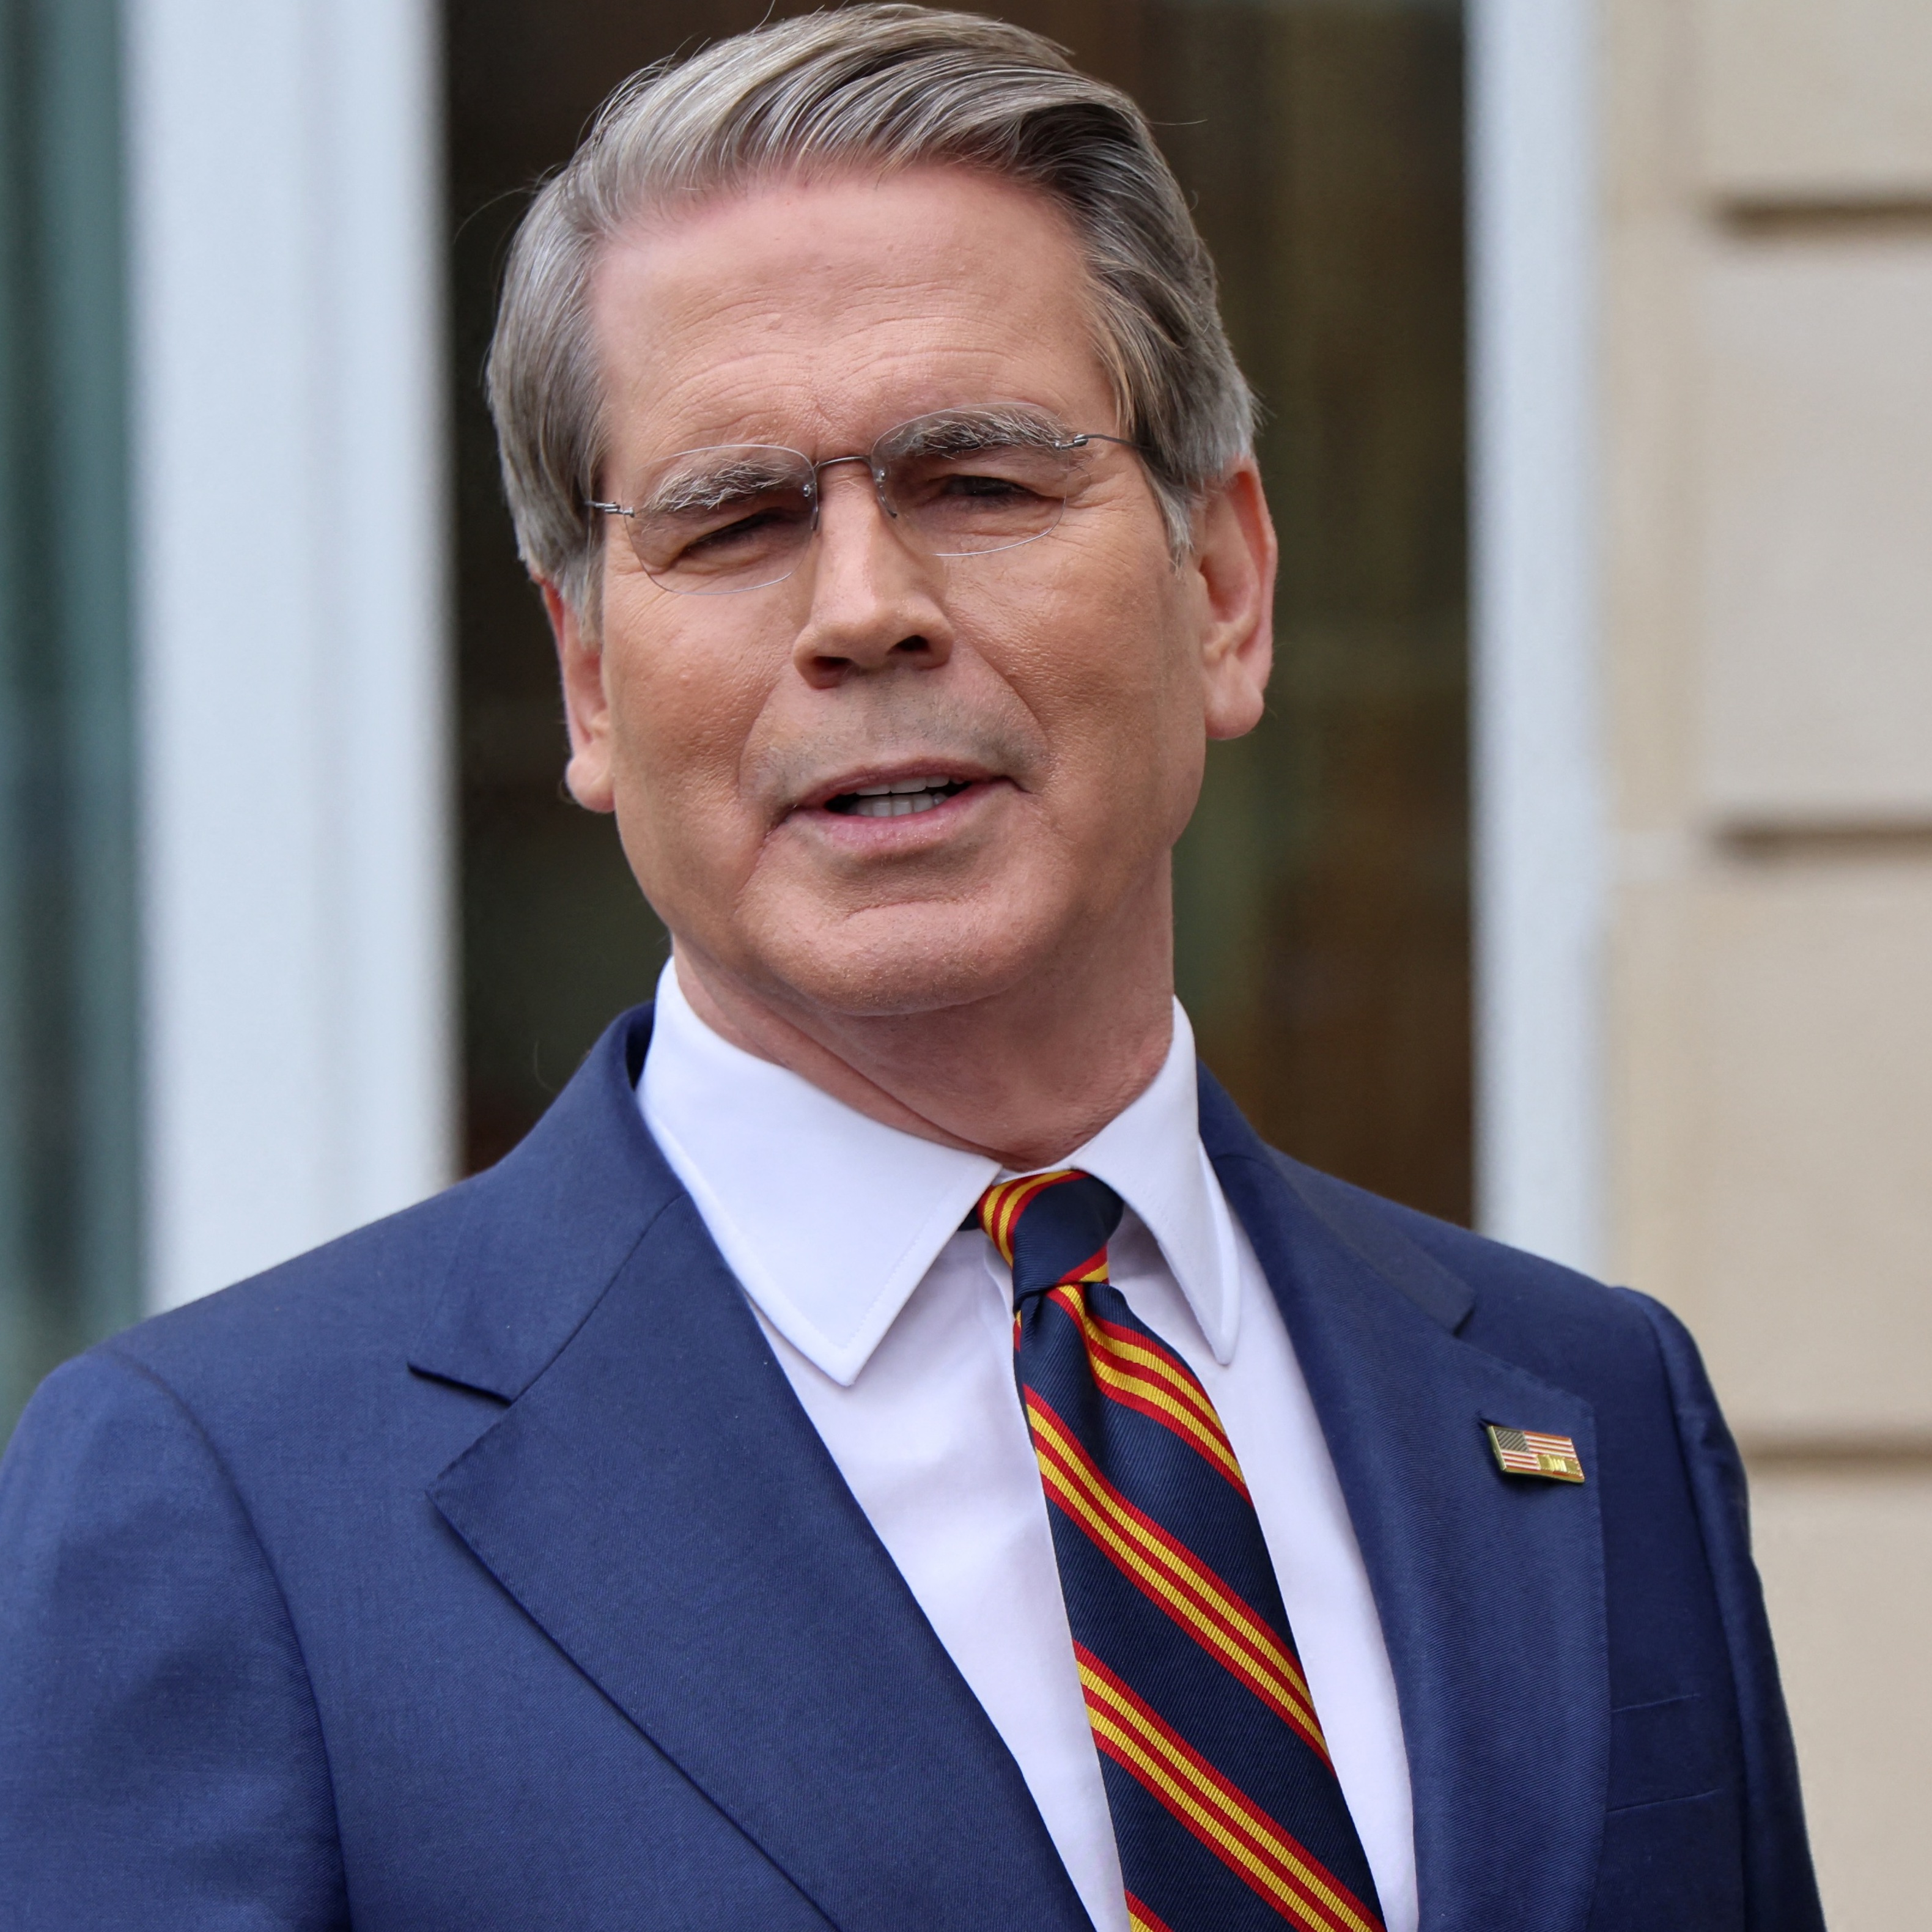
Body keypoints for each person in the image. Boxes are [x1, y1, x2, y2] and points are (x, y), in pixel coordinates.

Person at [0, 10, 1822, 1930]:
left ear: (1222, 587)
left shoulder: (1592, 1406)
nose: (865, 610)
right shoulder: (236, 1507)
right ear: (592, 679)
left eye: (980, 482)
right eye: (735, 519)